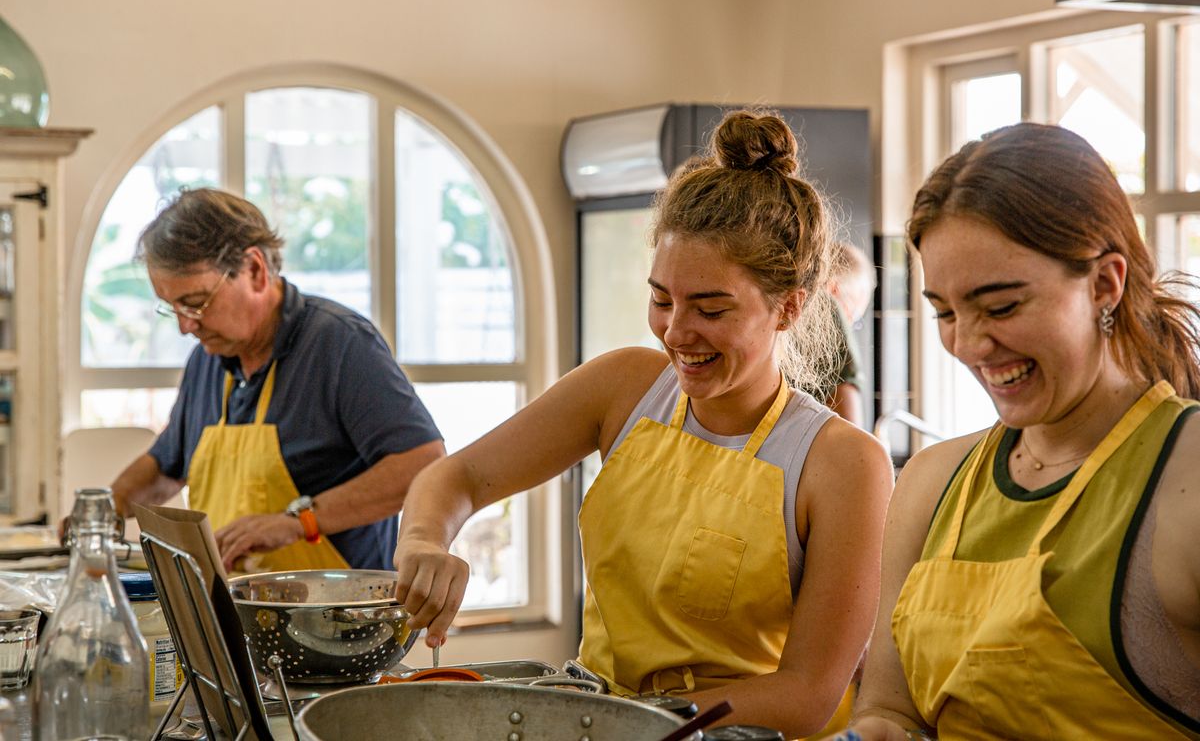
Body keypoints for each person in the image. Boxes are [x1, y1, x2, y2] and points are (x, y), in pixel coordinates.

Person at [392, 111, 893, 738]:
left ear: (788, 306)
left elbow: (805, 696)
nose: (676, 333)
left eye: (711, 309)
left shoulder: (840, 462)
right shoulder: (625, 388)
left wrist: (618, 724)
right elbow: (458, 476)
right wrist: (422, 543)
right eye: (661, 299)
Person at [841, 123, 1200, 740]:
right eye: (945, 313)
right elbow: (889, 712)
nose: (970, 344)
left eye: (1002, 306)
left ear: (1104, 284)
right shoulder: (933, 483)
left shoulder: (1185, 479)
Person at [107, 188, 446, 573]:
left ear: (254, 270)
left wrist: (298, 522)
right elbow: (166, 465)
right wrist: (106, 507)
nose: (186, 326)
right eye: (173, 309)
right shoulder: (207, 360)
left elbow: (423, 464)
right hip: (238, 616)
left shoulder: (339, 344)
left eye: (196, 302)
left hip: (338, 620)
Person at [826, 241, 875, 427]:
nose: (849, 327)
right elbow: (850, 430)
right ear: (833, 290)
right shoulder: (830, 311)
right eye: (852, 316)